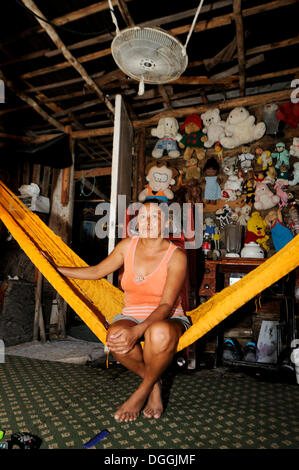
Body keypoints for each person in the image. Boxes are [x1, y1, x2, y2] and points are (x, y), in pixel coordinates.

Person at [54, 199, 191, 422]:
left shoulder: (177, 256)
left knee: (158, 333)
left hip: (167, 316)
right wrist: (56, 269)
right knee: (115, 336)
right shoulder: (128, 246)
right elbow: (97, 271)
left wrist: (137, 331)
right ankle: (155, 384)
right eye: (143, 217)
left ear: (166, 222)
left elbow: (166, 305)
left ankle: (141, 393)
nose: (147, 222)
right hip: (131, 313)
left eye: (154, 217)